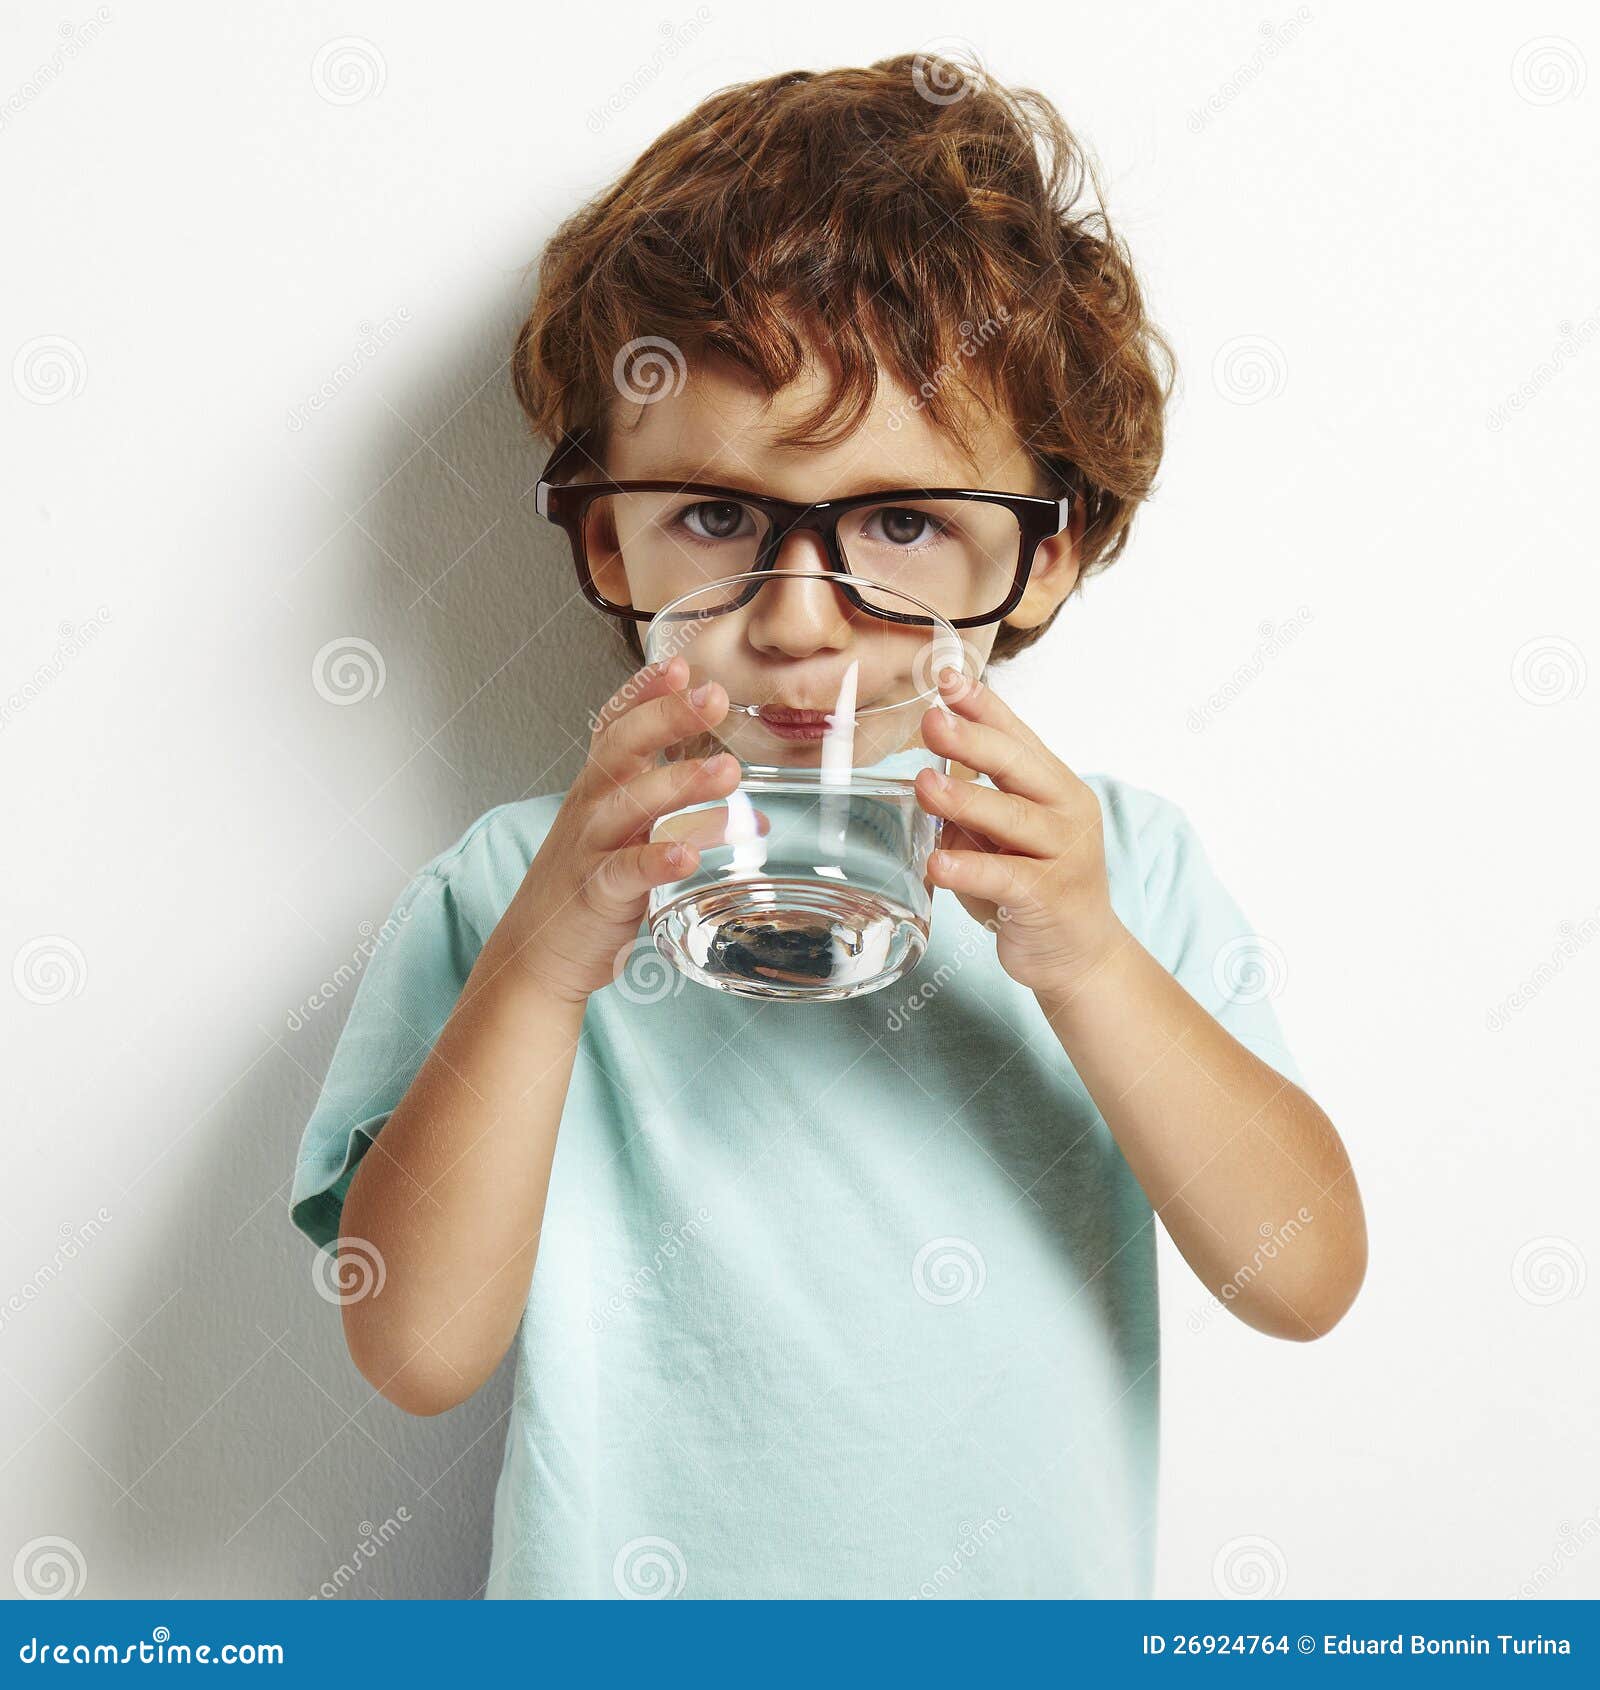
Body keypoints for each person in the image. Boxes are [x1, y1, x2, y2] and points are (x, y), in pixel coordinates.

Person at [289, 52, 1366, 1599]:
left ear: (1047, 557)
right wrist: (540, 966)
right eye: (718, 518)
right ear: (610, 538)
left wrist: (1090, 960)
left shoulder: (1117, 870)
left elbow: (1307, 1277)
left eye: (904, 523)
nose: (802, 619)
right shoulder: (519, 891)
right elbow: (414, 1347)